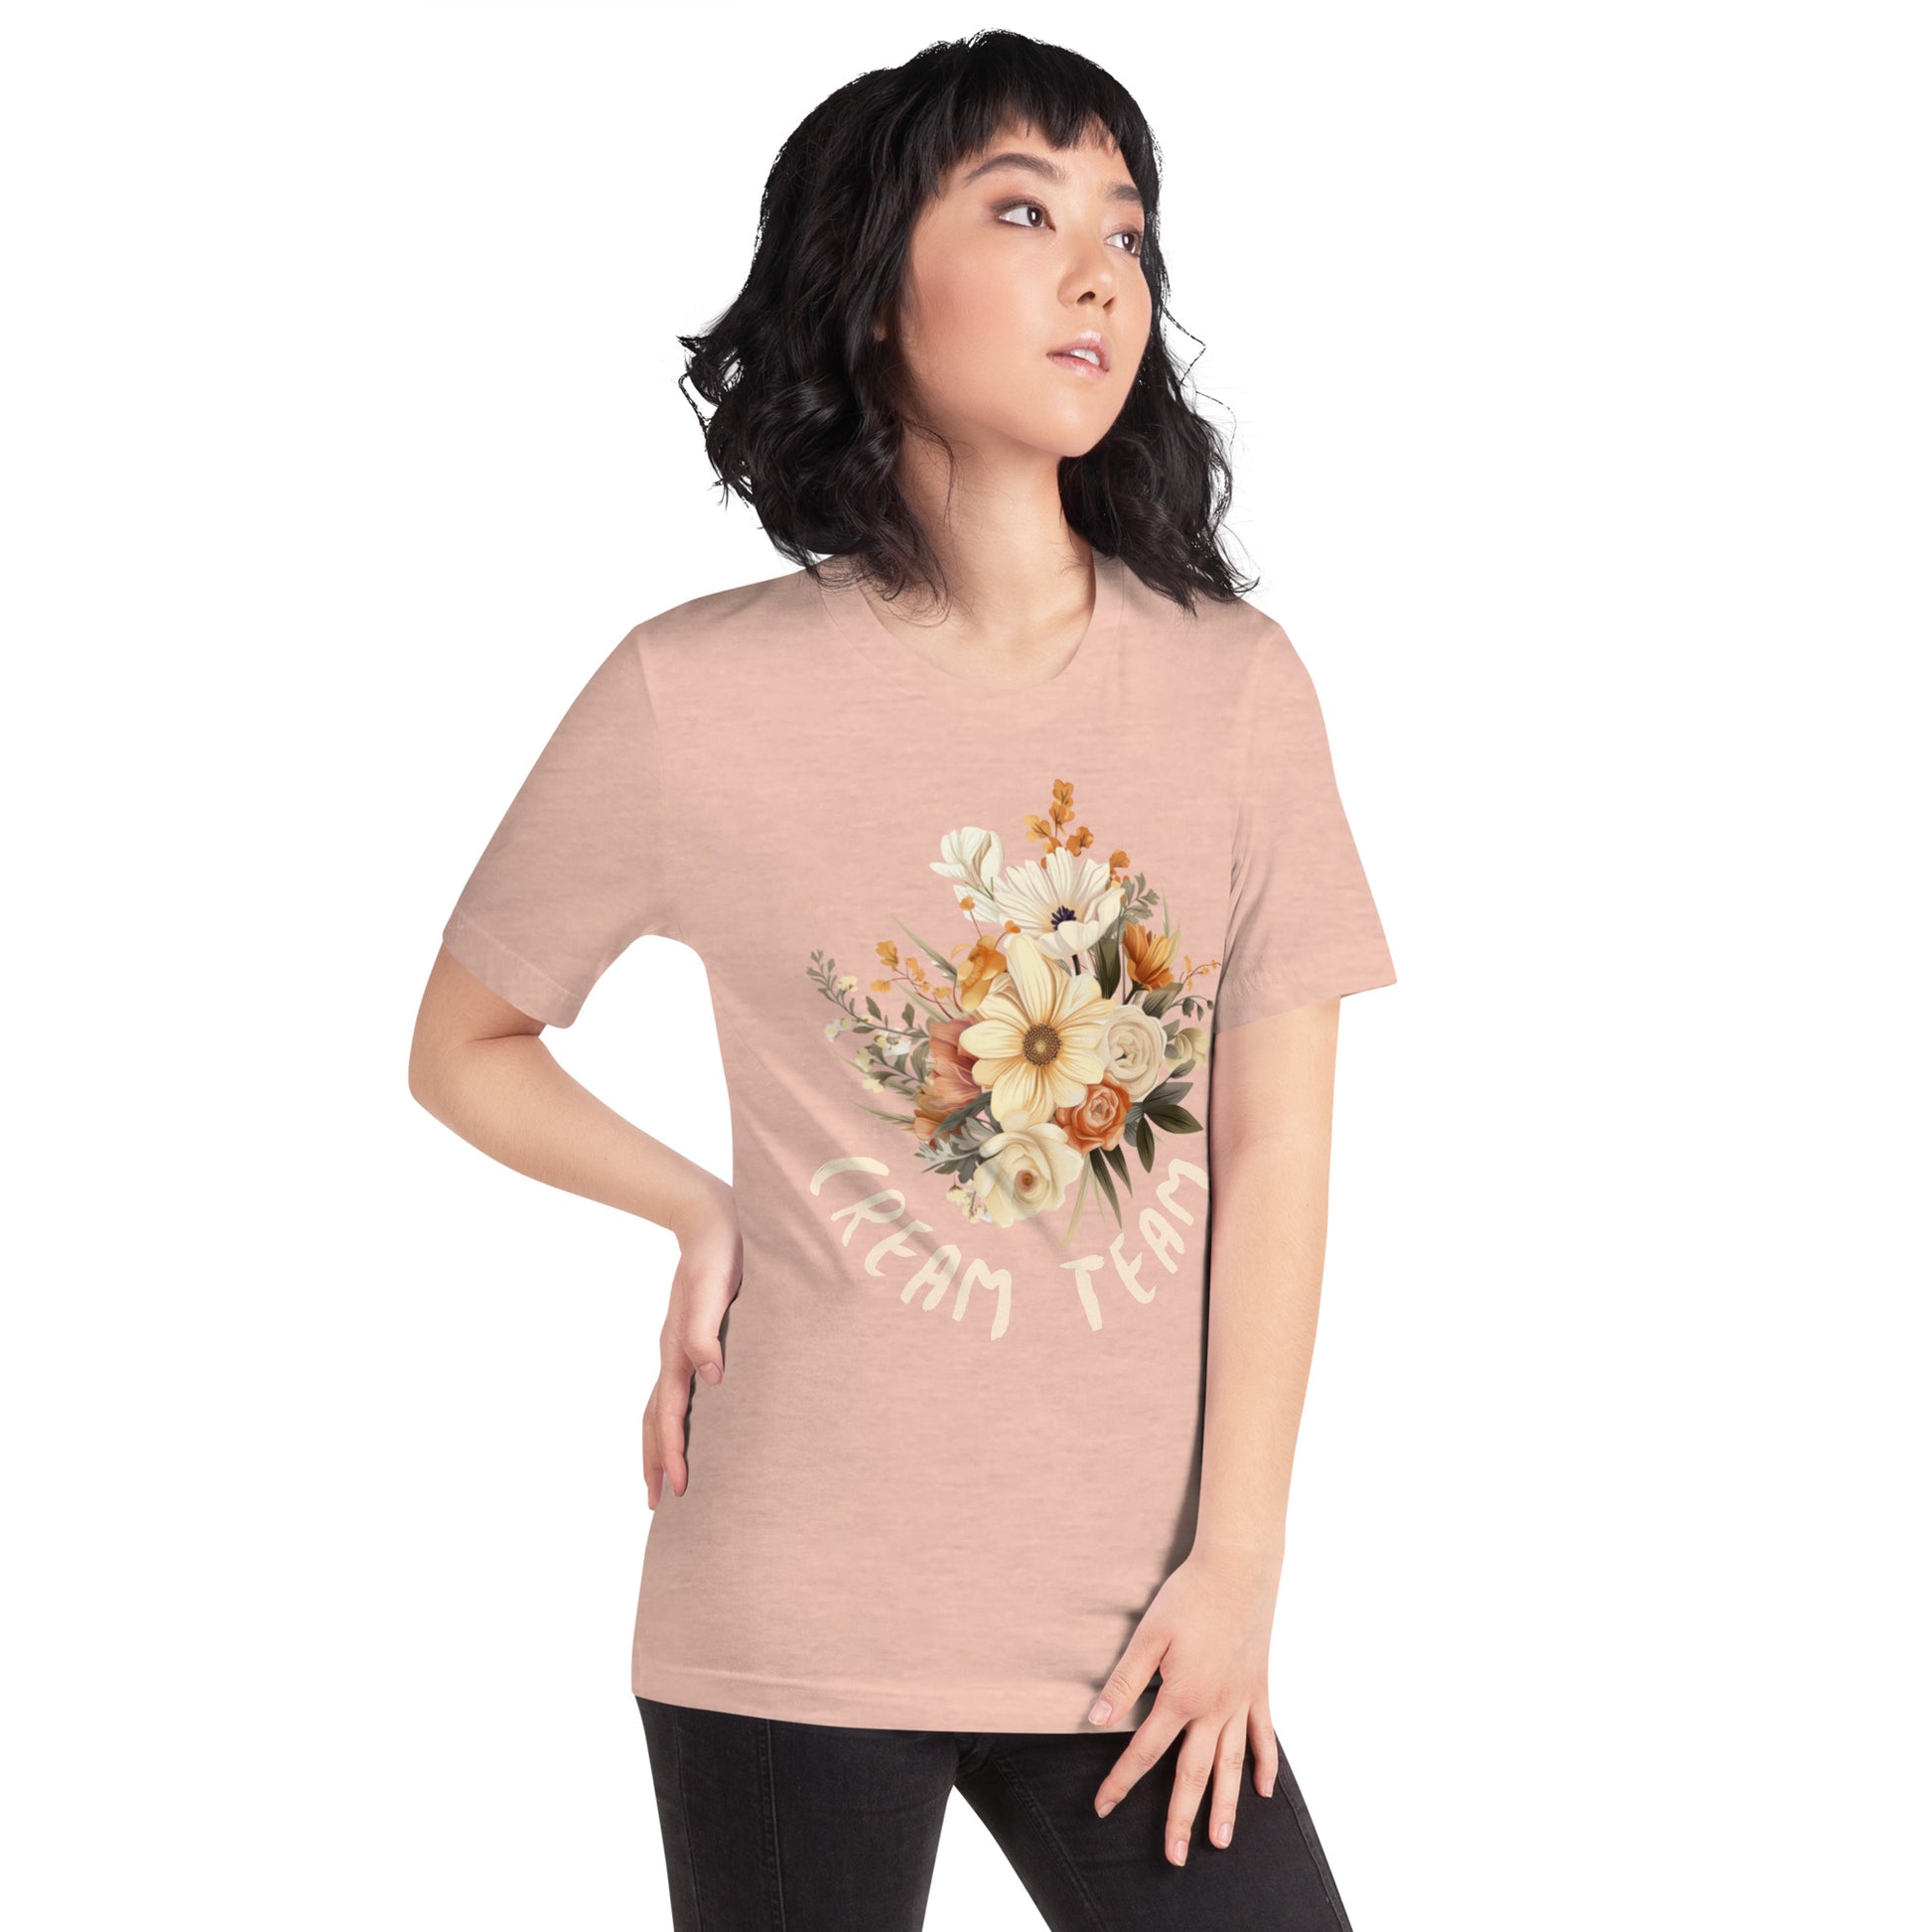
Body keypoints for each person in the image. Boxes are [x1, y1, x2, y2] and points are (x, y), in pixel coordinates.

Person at [409, 30, 1394, 1932]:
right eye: (1023, 213)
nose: (1097, 272)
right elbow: (463, 1041)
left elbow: (1275, 1151)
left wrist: (1241, 1565)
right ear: (870, 287)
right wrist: (697, 1203)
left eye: (1125, 228)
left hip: (1139, 1626)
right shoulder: (691, 693)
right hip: (788, 1604)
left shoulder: (1232, 689)